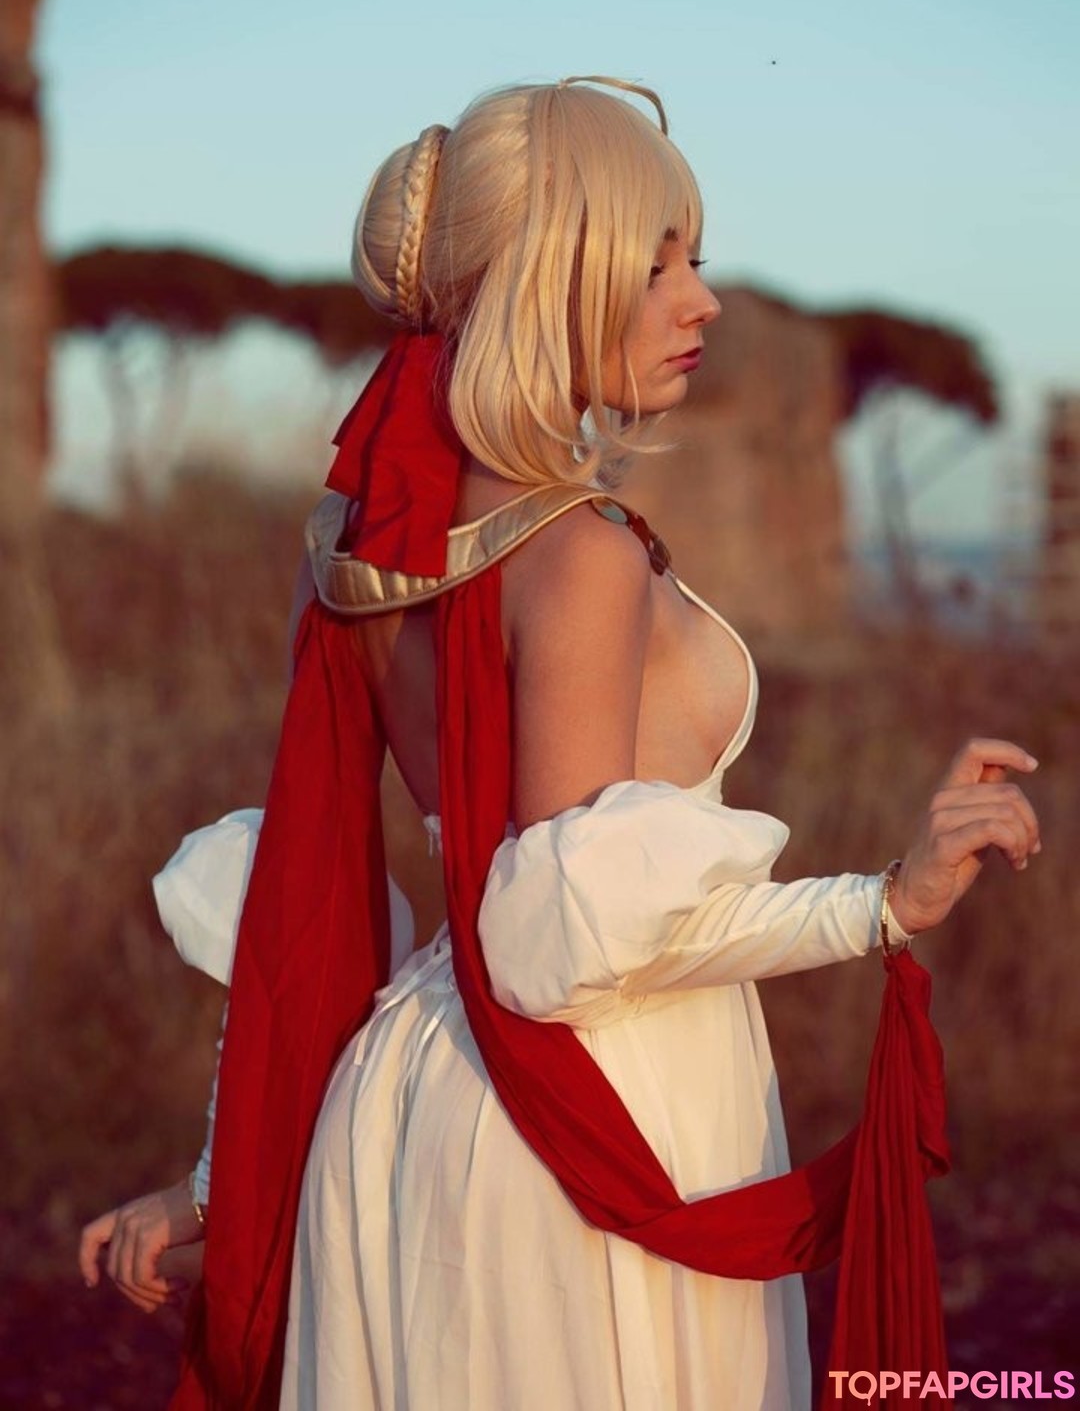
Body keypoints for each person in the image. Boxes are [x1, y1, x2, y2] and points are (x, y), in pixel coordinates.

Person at [80, 77, 1041, 1411]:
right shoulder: (578, 558)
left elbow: (315, 912)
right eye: (654, 265)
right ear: (548, 283)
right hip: (591, 1123)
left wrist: (215, 1184)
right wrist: (883, 903)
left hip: (407, 1093)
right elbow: (569, 950)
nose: (701, 301)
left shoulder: (356, 549)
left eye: (693, 260)